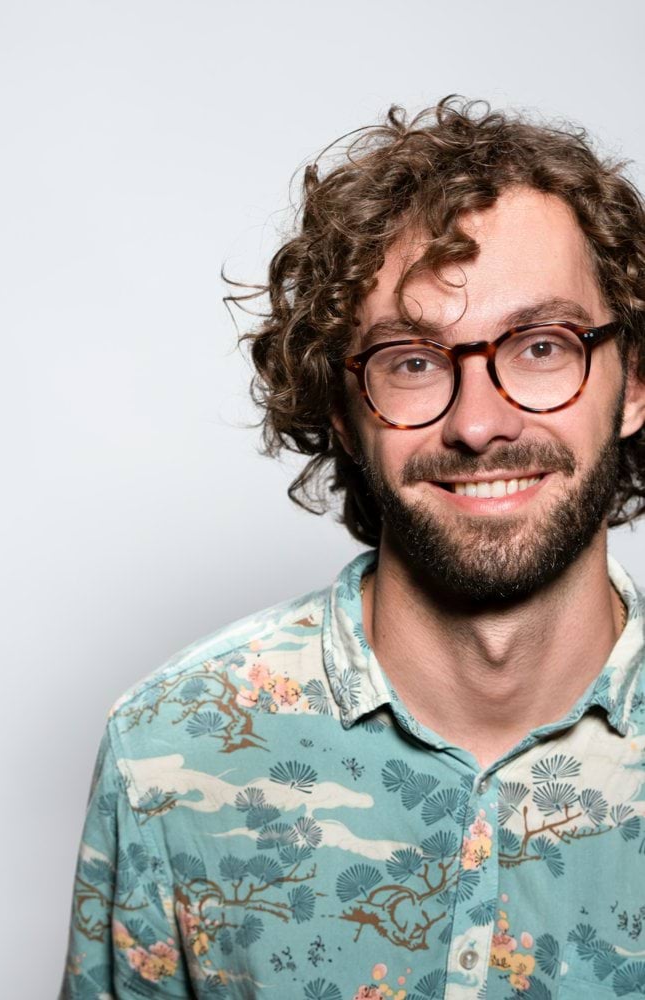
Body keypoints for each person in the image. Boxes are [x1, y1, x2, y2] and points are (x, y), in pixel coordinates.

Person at [60, 97, 645, 1000]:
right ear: (341, 410)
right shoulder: (171, 752)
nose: (480, 423)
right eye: (412, 361)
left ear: (634, 383)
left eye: (542, 345)